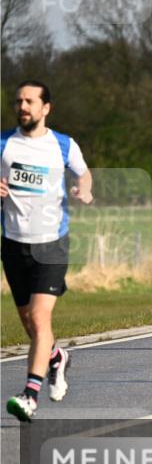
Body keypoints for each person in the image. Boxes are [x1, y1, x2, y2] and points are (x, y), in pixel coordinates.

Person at [3, 81, 93, 422]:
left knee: (41, 318)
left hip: (52, 243)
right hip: (13, 243)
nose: (23, 106)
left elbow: (84, 176)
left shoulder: (63, 144)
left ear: (46, 108)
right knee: (29, 324)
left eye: (30, 101)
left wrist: (83, 192)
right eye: (19, 101)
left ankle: (29, 395)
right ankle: (57, 358)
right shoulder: (3, 144)